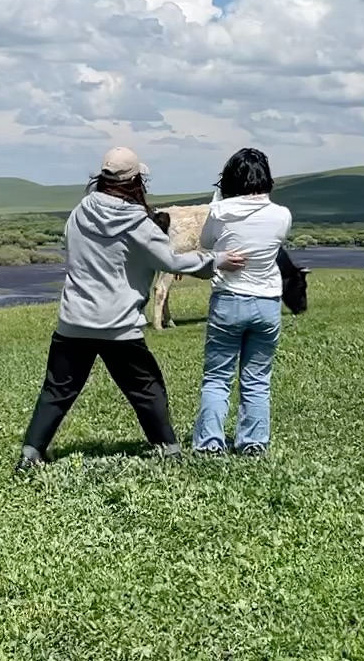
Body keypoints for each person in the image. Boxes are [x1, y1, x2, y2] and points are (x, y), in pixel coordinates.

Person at [17, 147, 245, 473]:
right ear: (136, 180)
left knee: (57, 389)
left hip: (74, 321)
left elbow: (71, 244)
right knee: (146, 388)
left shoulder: (80, 212)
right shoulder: (138, 222)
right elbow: (171, 261)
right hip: (118, 325)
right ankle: (170, 453)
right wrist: (216, 260)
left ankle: (30, 454)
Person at [190, 147, 293, 457]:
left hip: (229, 300)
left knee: (218, 376)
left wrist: (218, 203)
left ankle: (210, 444)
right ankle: (252, 443)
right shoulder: (282, 214)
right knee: (257, 378)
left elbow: (206, 243)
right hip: (267, 302)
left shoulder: (220, 212)